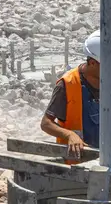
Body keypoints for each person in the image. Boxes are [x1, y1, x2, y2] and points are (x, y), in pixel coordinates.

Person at [40, 31, 100, 160]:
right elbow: (46, 123)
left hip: (104, 159)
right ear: (92, 63)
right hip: (76, 163)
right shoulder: (67, 84)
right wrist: (70, 135)